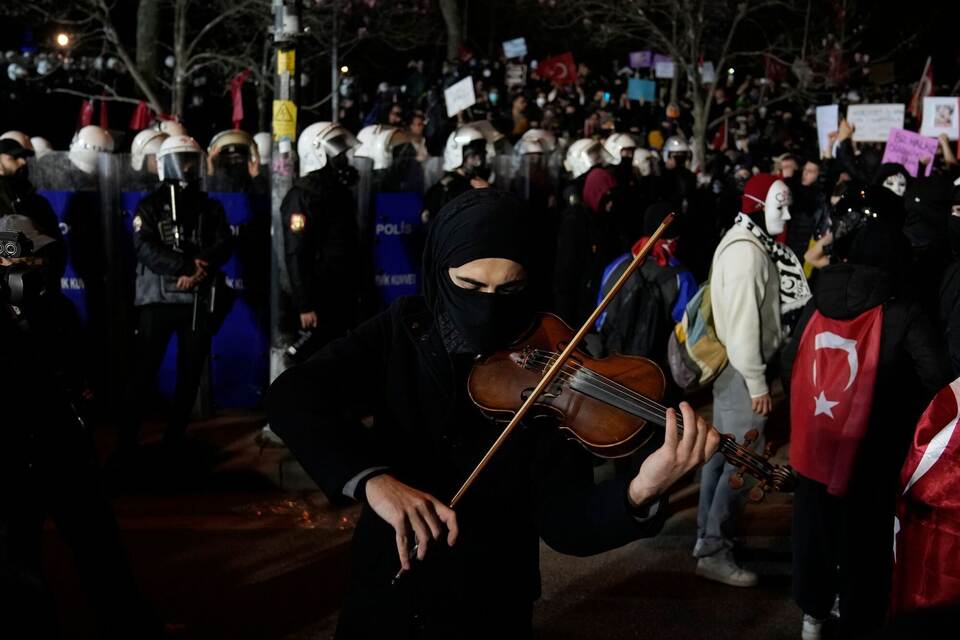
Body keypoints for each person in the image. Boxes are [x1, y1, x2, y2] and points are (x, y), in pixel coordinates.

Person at [266, 188, 720, 638]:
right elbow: (292, 396)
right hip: (390, 589)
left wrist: (640, 490)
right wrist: (373, 481)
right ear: (440, 269)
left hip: (492, 601)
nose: (487, 307)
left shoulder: (550, 357)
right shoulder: (403, 329)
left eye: (509, 289)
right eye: (469, 286)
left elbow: (567, 525)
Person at [782, 187, 947, 640]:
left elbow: (789, 359)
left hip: (815, 439)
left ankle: (812, 614)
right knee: (865, 538)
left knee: (813, 529)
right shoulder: (903, 310)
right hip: (872, 447)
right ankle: (858, 617)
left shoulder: (819, 298)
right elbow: (936, 375)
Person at [695, 173, 809, 587]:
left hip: (737, 372)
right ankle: (714, 549)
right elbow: (744, 326)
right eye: (780, 206)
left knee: (722, 457)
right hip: (745, 373)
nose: (788, 215)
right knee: (742, 465)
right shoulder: (748, 254)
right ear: (758, 208)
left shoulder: (745, 242)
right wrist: (758, 383)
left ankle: (707, 541)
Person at [123, 135, 233, 453]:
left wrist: (199, 267)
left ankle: (174, 438)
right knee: (144, 371)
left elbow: (223, 242)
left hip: (196, 299)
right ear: (165, 164)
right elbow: (144, 248)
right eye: (180, 160)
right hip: (157, 302)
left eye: (190, 160)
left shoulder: (209, 206)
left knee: (191, 372)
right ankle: (127, 440)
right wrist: (184, 266)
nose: (186, 167)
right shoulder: (149, 205)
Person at [281, 122, 361, 355]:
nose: (342, 159)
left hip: (342, 290)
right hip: (319, 295)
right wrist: (305, 304)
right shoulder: (301, 196)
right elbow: (296, 252)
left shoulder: (339, 192)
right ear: (318, 155)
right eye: (337, 154)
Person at [0, 138, 65, 280]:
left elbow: (56, 249)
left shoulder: (35, 200)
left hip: (42, 283)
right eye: (14, 158)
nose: (23, 162)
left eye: (23, 157)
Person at [420, 125, 489, 224]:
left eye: (481, 155)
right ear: (458, 155)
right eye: (473, 155)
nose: (479, 160)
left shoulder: (480, 182)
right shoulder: (444, 190)